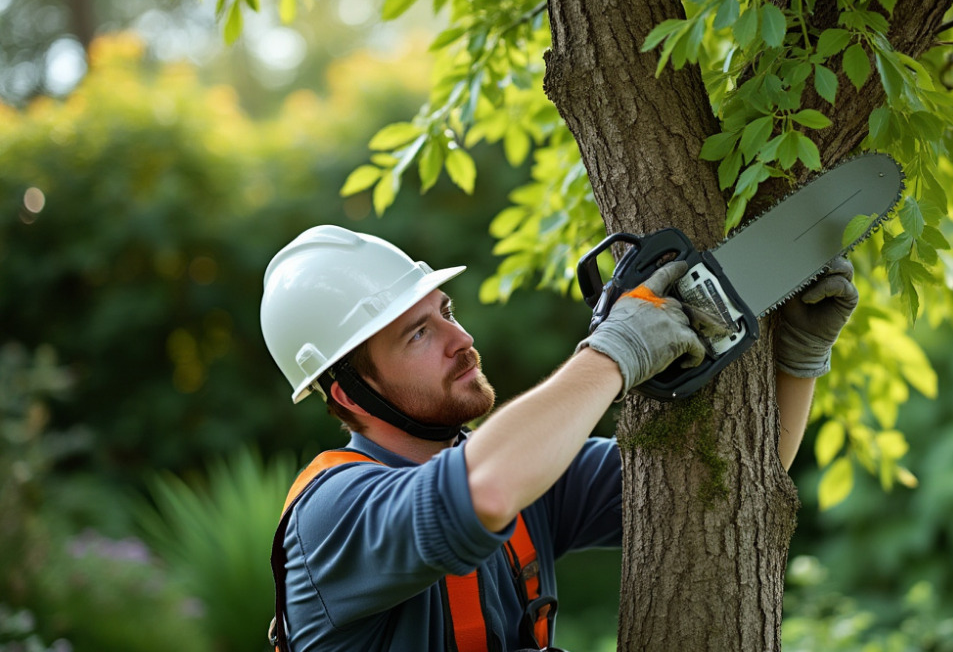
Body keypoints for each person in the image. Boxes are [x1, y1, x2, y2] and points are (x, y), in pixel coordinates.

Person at [259, 225, 858, 652]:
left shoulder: (526, 469)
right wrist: (616, 350)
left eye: (445, 310)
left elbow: (727, 487)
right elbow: (485, 489)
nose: (459, 338)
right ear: (347, 393)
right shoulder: (332, 515)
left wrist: (798, 360)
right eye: (417, 335)